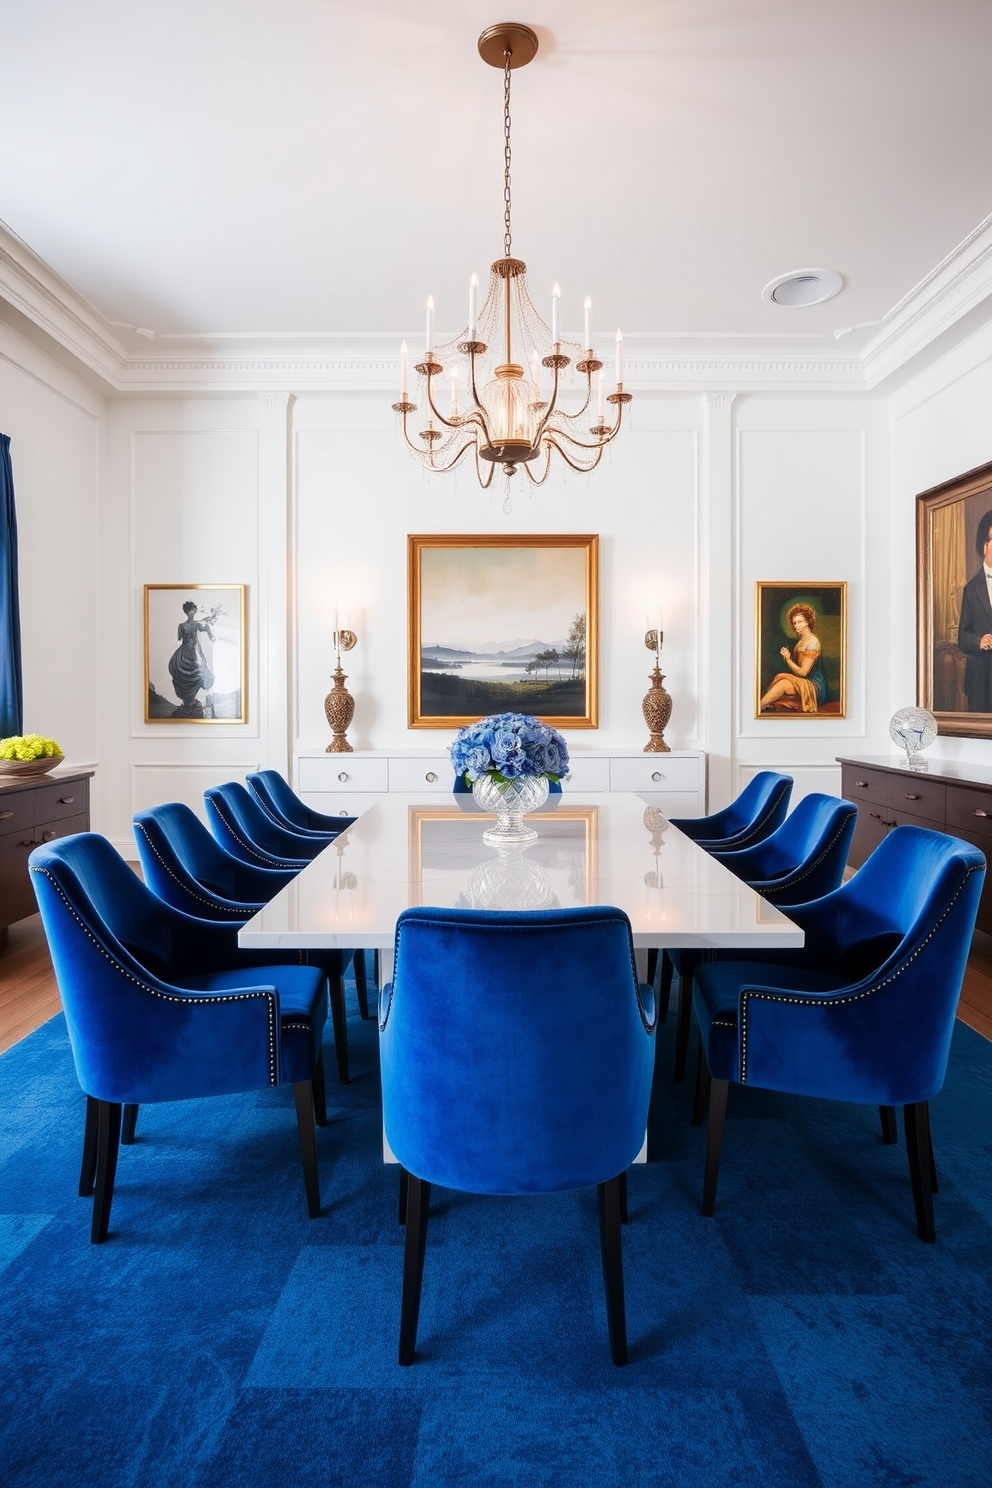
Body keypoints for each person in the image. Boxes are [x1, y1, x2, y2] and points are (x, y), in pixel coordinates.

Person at [759, 603, 826, 713]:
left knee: (783, 683)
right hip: (803, 682)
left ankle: (759, 706)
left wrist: (788, 659)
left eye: (800, 622)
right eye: (795, 623)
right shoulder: (802, 641)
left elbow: (803, 673)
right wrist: (788, 658)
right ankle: (763, 705)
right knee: (780, 677)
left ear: (808, 622)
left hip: (814, 687)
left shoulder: (812, 643)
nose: (796, 626)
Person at [956, 509, 992, 713]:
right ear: (984, 545)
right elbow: (962, 637)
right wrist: (979, 641)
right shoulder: (971, 589)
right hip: (980, 679)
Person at [167, 601, 215, 715]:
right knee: (180, 674)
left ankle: (190, 702)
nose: (192, 614)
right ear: (187, 612)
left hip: (194, 653)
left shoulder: (196, 624)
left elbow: (206, 627)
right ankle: (187, 703)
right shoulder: (181, 626)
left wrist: (211, 635)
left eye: (194, 612)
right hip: (183, 652)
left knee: (197, 675)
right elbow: (180, 639)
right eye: (190, 612)